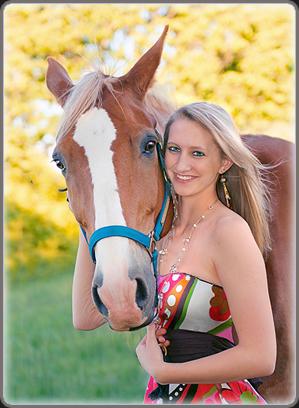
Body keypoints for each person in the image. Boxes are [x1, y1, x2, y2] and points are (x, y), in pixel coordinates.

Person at [135, 102, 276, 404]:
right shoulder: (159, 233)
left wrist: (165, 372)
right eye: (173, 149)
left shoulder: (229, 232)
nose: (181, 165)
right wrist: (92, 203)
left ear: (224, 162)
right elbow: (84, 317)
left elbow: (262, 356)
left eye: (197, 153)